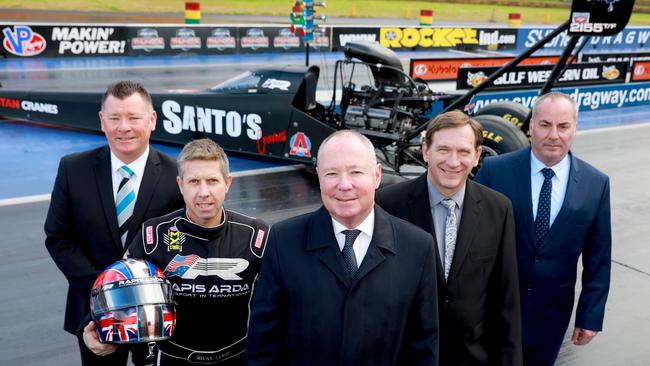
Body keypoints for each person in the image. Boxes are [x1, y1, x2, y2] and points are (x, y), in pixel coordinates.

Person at [246, 130, 439, 366]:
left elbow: (423, 346)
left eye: (356, 172)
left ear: (377, 176)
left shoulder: (417, 247)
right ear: (319, 177)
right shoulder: (283, 242)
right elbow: (263, 343)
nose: (344, 185)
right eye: (332, 173)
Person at [82, 138, 270, 365]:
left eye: (212, 181)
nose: (203, 192)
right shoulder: (153, 234)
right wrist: (93, 327)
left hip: (238, 357)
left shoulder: (256, 236)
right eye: (194, 182)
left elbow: (284, 300)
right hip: (171, 358)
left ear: (227, 183)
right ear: (181, 185)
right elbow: (115, 285)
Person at [44, 80, 184, 365]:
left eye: (133, 117)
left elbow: (181, 241)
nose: (124, 127)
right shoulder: (73, 169)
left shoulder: (177, 176)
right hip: (94, 315)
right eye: (115, 118)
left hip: (158, 315)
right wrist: (104, 291)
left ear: (152, 119)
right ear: (102, 121)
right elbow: (58, 237)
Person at [474, 92, 611, 366]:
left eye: (563, 127)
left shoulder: (596, 184)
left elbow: (599, 258)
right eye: (545, 124)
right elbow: (472, 243)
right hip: (492, 312)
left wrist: (590, 315)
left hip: (552, 315)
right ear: (531, 126)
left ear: (575, 128)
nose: (553, 135)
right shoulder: (494, 170)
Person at [376, 110, 522, 366]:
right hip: (404, 356)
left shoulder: (499, 209)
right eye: (443, 149)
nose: (453, 162)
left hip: (472, 358)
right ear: (425, 151)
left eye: (464, 152)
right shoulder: (388, 204)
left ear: (477, 156)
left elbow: (506, 299)